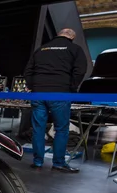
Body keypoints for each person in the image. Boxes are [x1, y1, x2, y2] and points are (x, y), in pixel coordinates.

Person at [24, 28, 88, 173]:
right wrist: (71, 87)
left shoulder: (41, 49)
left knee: (38, 129)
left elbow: (28, 71)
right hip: (60, 93)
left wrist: (33, 86)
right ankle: (58, 163)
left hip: (38, 94)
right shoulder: (74, 49)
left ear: (58, 35)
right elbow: (80, 70)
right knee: (61, 129)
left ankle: (38, 162)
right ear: (72, 37)